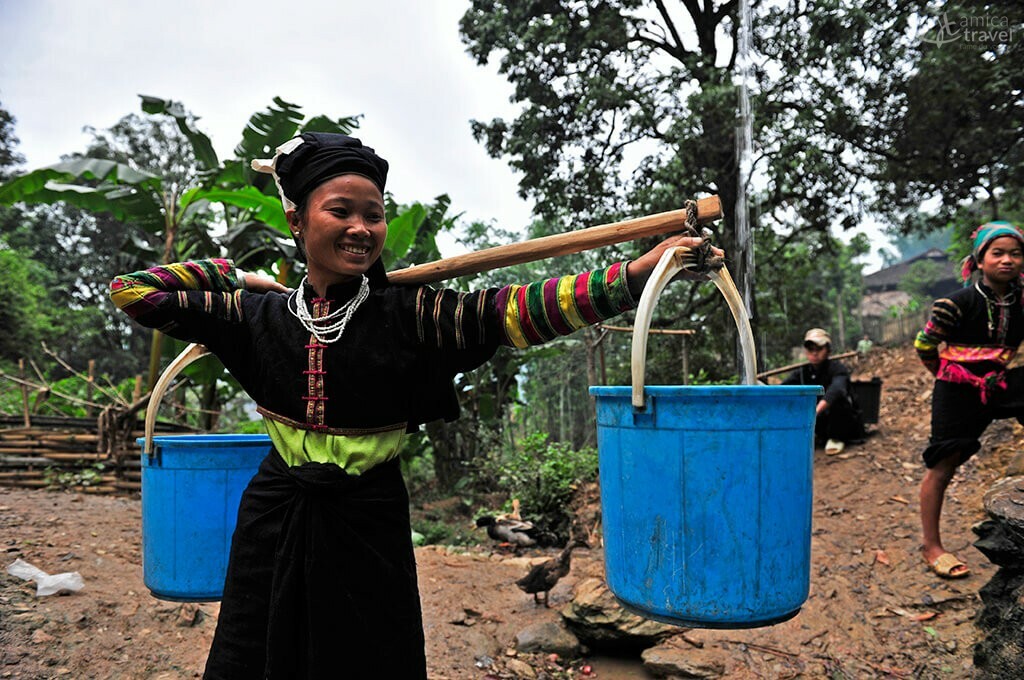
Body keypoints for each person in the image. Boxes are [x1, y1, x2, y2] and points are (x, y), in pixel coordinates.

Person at [109, 132, 719, 679]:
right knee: (258, 649)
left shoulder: (413, 314)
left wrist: (639, 272)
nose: (361, 228)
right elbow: (135, 292)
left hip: (368, 517)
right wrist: (238, 279)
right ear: (297, 221)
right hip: (276, 511)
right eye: (340, 211)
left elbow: (522, 309)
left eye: (373, 215)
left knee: (370, 655)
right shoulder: (256, 318)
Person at [914, 221, 1024, 580]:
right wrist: (949, 378)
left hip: (998, 382)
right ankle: (932, 546)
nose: (1007, 260)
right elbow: (925, 346)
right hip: (957, 388)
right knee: (943, 463)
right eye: (998, 253)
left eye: (1015, 253)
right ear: (979, 259)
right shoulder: (955, 305)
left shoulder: (1022, 302)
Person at [782, 327, 864, 455]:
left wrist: (815, 411)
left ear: (828, 350)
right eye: (811, 349)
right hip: (819, 423)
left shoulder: (838, 369)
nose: (814, 353)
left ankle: (836, 438)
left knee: (838, 399)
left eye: (819, 349)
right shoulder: (802, 372)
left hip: (843, 423)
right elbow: (783, 388)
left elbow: (837, 390)